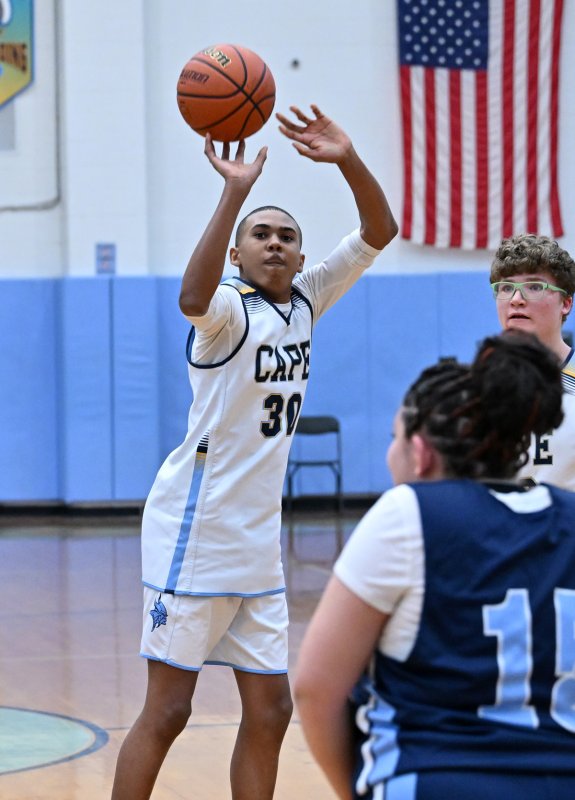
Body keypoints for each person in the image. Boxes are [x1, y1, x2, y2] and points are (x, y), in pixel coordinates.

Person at [110, 104, 398, 800]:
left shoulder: (305, 300)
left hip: (257, 539)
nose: (275, 244)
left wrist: (348, 159)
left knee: (270, 710)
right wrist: (233, 190)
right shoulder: (226, 313)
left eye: (287, 237)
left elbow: (378, 231)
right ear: (238, 252)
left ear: (302, 257)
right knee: (170, 709)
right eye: (260, 235)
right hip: (193, 526)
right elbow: (190, 295)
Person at [294, 331, 575, 800]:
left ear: (420, 454)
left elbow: (314, 688)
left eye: (394, 439)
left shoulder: (408, 513)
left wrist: (361, 790)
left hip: (436, 778)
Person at [490, 233, 575, 488]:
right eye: (506, 288)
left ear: (566, 303)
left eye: (534, 287)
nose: (516, 299)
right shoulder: (482, 386)